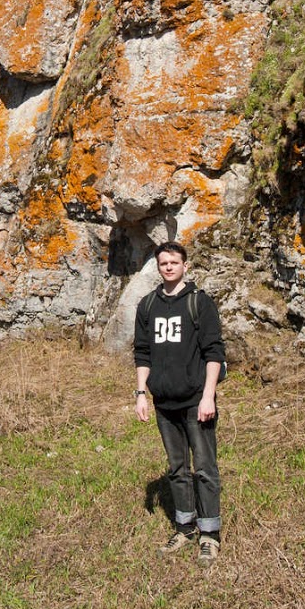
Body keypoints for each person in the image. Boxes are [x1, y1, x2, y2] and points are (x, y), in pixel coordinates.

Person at [133, 240, 225, 566]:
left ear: (185, 265)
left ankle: (210, 535)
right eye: (163, 263)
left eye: (174, 262)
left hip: (196, 401)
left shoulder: (199, 303)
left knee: (204, 469)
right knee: (176, 469)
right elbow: (142, 354)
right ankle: (185, 527)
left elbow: (214, 352)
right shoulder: (147, 306)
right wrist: (141, 394)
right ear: (158, 267)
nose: (168, 267)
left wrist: (208, 396)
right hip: (163, 403)